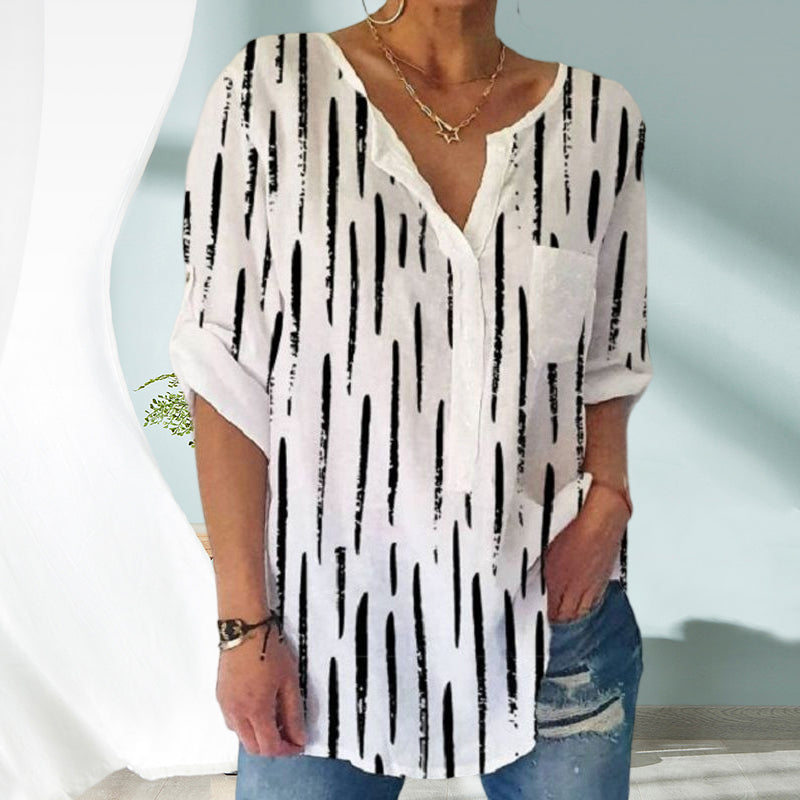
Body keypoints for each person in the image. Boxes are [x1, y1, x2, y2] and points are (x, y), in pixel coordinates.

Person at [169, 1, 652, 797]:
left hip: (552, 616)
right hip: (321, 631)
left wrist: (610, 500)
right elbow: (223, 370)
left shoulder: (599, 119)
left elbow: (608, 354)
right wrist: (242, 624)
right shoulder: (271, 89)